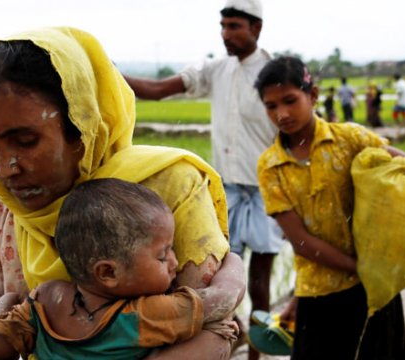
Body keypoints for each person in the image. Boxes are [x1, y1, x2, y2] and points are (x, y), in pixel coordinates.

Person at [0, 27, 246, 360]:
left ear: (81, 128)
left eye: (25, 142)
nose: (5, 169)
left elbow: (215, 330)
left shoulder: (165, 186)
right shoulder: (10, 209)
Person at [255, 56, 405, 359]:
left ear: (313, 95)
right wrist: (364, 269)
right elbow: (301, 242)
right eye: (271, 106)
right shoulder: (271, 166)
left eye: (290, 101)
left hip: (375, 293)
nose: (282, 113)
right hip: (319, 295)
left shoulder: (350, 139)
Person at [122, 2, 284, 359]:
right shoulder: (216, 70)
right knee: (218, 276)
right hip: (225, 191)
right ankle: (234, 339)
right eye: (223, 26)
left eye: (235, 26)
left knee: (259, 280)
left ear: (256, 29)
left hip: (266, 190)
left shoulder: (274, 71)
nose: (226, 34)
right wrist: (112, 74)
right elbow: (161, 88)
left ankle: (257, 354)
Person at [0, 179, 241, 359]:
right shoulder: (143, 316)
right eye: (163, 256)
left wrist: (7, 300)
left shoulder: (45, 299)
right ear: (107, 273)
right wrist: (233, 260)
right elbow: (224, 297)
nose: (175, 262)